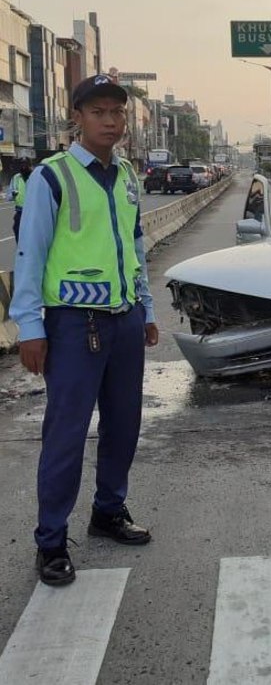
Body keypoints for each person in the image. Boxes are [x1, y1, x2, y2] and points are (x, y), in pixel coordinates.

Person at [10, 74, 159, 587]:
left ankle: (108, 511)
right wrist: (30, 326)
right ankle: (51, 541)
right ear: (77, 117)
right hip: (73, 325)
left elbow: (135, 249)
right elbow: (29, 257)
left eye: (117, 111)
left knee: (124, 424)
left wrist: (148, 309)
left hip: (124, 320)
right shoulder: (51, 178)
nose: (112, 121)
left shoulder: (126, 177)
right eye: (99, 111)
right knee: (66, 434)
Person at [7, 157, 33, 242]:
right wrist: (13, 195)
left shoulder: (35, 176)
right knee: (17, 231)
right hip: (20, 212)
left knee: (34, 234)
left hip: (33, 212)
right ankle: (21, 251)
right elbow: (9, 197)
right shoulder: (16, 178)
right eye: (22, 165)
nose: (23, 167)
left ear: (30, 166)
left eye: (26, 165)